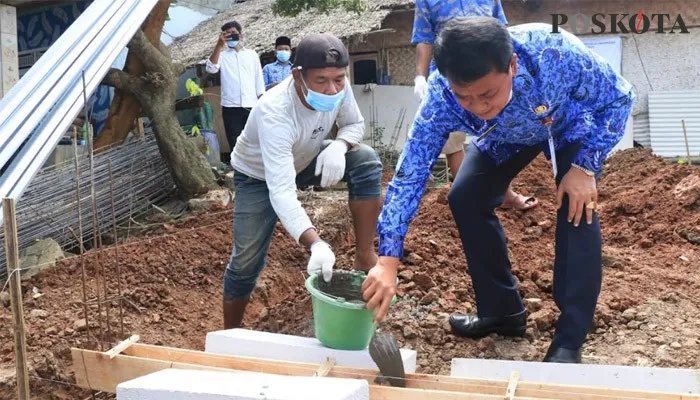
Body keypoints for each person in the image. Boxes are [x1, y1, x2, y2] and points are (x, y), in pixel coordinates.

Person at [363, 17, 635, 363]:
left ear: (512, 65)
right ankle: (503, 313)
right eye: (465, 97)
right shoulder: (441, 96)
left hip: (565, 124)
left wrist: (585, 166)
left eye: (488, 93)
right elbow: (411, 172)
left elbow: (620, 97)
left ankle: (569, 341)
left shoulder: (555, 54)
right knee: (465, 196)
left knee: (577, 205)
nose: (478, 106)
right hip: (503, 136)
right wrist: (388, 259)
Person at [222, 33, 383, 329]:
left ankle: (364, 256)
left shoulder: (339, 88)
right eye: (321, 80)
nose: (332, 88)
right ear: (298, 76)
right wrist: (317, 244)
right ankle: (229, 333)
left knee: (366, 160)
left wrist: (340, 145)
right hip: (257, 175)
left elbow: (354, 123)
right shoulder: (275, 111)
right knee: (246, 261)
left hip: (306, 157)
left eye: (338, 78)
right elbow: (281, 191)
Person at [412, 0, 537, 211]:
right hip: (451, 80)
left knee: (499, 132)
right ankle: (471, 196)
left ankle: (505, 194)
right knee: (453, 140)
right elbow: (424, 39)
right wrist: (419, 77)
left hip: (488, 77)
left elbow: (502, 33)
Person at [206, 21, 265, 157]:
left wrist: (262, 101)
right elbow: (211, 68)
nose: (230, 36)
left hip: (252, 104)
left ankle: (257, 170)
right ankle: (240, 172)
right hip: (230, 106)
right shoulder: (222, 55)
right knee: (235, 141)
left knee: (255, 139)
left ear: (240, 34)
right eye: (227, 34)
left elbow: (258, 79)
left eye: (233, 33)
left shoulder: (252, 54)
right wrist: (218, 45)